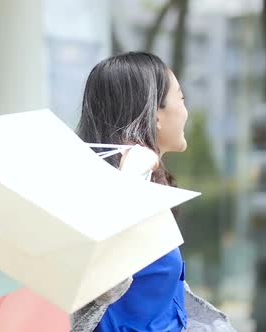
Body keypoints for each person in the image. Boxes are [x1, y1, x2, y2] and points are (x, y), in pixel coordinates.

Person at [72, 52, 235, 332]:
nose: (186, 111)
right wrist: (131, 183)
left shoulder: (147, 190)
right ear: (155, 114)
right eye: (181, 98)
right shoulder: (100, 195)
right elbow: (106, 286)